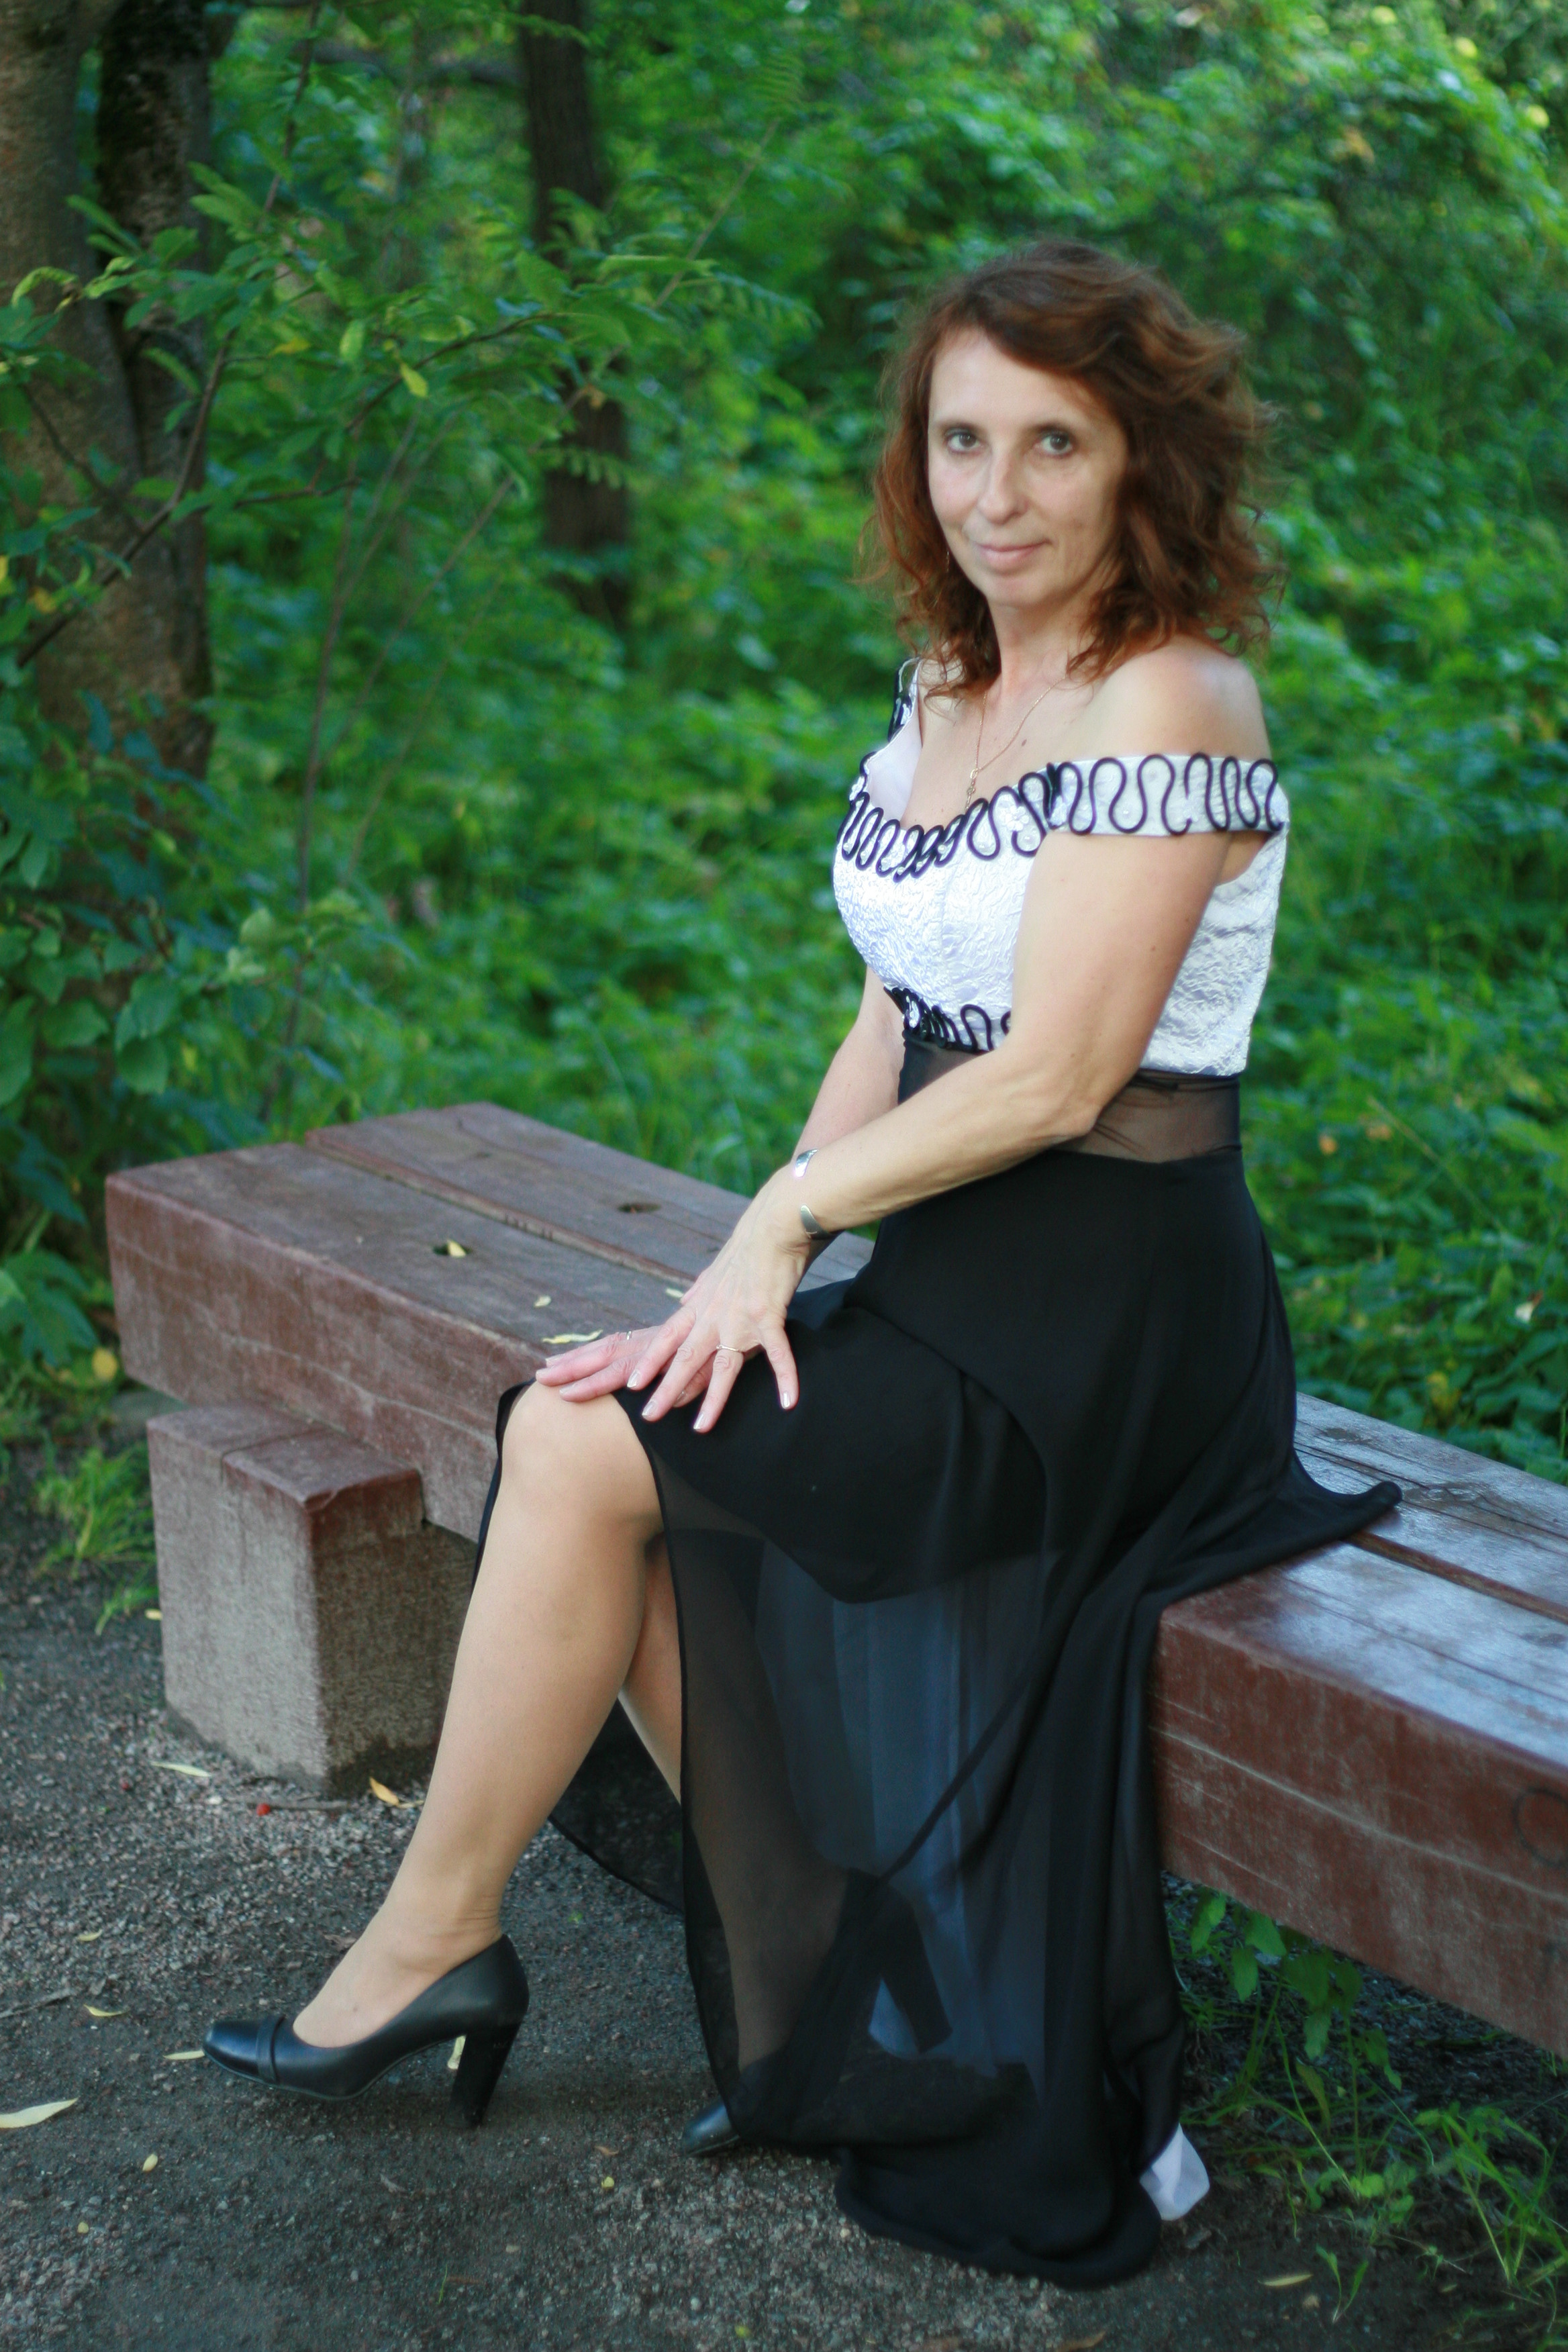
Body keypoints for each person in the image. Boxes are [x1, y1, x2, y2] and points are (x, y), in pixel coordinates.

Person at [204, 239, 1396, 2285]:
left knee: (581, 1451)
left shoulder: (1176, 695)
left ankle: (450, 1944)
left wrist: (790, 1222)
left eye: (1053, 444)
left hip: (1112, 1316)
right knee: (617, 1426)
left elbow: (1062, 1072)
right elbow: (892, 1020)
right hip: (943, 1277)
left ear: (1142, 461)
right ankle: (840, 1968)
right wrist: (733, 1276)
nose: (997, 493)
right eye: (960, 440)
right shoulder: (948, 681)